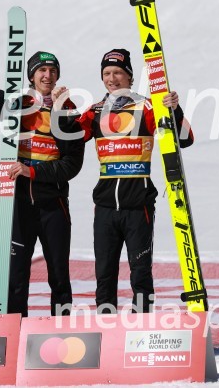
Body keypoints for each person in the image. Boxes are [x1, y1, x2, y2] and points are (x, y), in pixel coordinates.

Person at [53, 48, 194, 313]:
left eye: (118, 72)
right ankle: (107, 325)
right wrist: (61, 107)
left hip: (138, 206)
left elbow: (186, 138)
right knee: (104, 273)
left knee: (140, 273)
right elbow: (69, 139)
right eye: (107, 73)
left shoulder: (148, 107)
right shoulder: (96, 111)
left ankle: (142, 322)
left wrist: (174, 110)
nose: (112, 78)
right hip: (105, 207)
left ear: (129, 76)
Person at [0, 43, 84, 316]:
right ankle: (15, 327)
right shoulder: (17, 104)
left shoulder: (69, 111)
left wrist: (33, 171)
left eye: (52, 70)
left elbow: (71, 165)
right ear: (32, 75)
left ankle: (62, 328)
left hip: (53, 204)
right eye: (42, 70)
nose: (47, 75)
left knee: (59, 276)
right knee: (15, 276)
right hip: (18, 202)